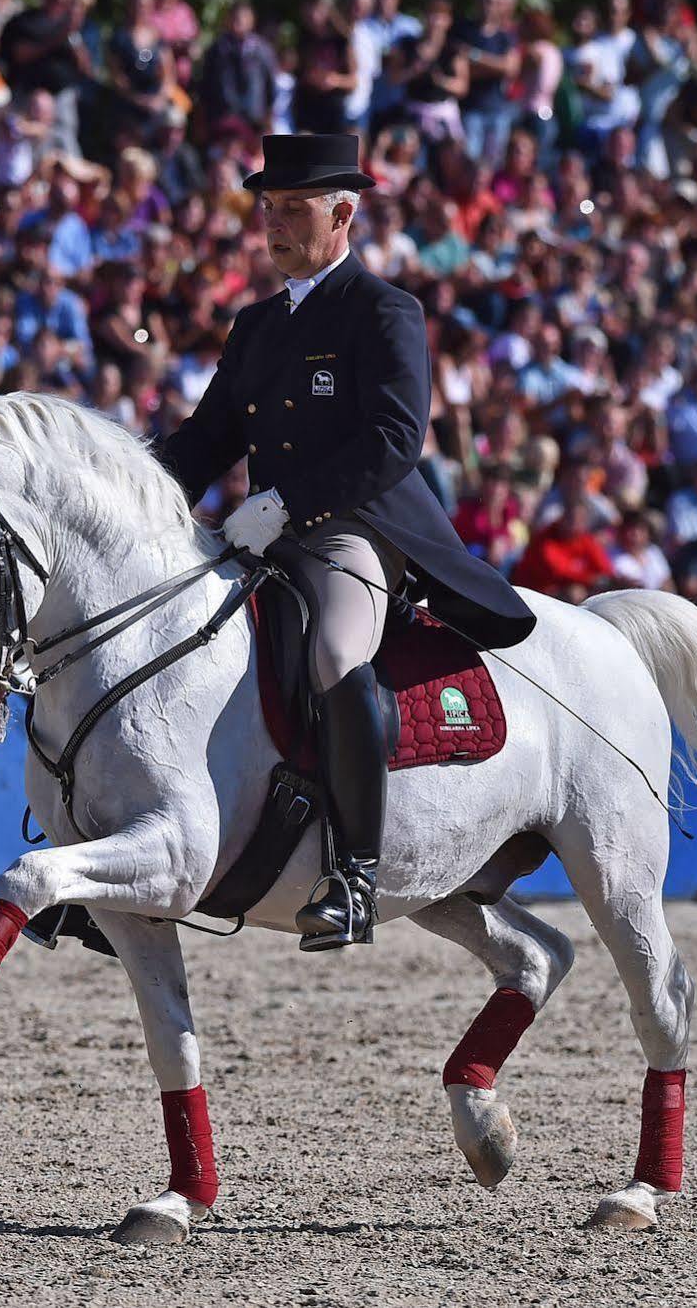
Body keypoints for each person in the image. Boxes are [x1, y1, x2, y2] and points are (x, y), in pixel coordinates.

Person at [156, 132, 537, 950]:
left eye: (293, 209)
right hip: (265, 531)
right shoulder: (255, 325)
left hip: (355, 532)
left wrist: (287, 502)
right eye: (267, 209)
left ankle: (354, 874)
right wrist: (131, 487)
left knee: (333, 655)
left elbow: (393, 441)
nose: (273, 225)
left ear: (343, 214)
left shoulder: (383, 311)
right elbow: (207, 437)